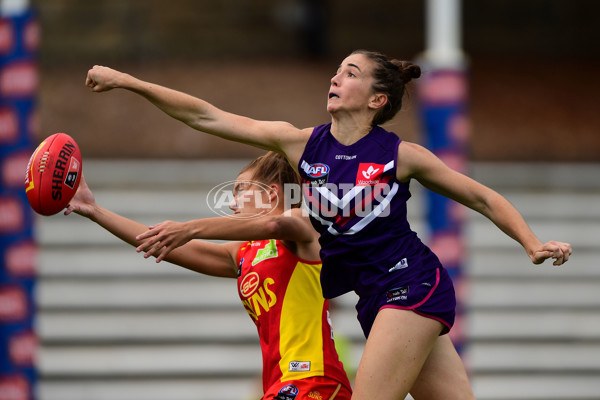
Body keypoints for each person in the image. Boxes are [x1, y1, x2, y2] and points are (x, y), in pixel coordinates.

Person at [85, 50, 572, 400]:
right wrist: (130, 82)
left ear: (377, 99)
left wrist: (530, 243)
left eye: (350, 73)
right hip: (374, 298)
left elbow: (482, 196)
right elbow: (205, 116)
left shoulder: (400, 156)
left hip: (411, 285)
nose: (336, 78)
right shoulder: (300, 144)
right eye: (337, 70)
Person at [64, 152, 353, 400]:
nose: (232, 201)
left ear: (272, 193)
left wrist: (190, 227)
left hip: (315, 380)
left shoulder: (302, 225)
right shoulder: (244, 252)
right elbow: (159, 242)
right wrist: (95, 211)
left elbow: (274, 224)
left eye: (241, 190)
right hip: (282, 386)